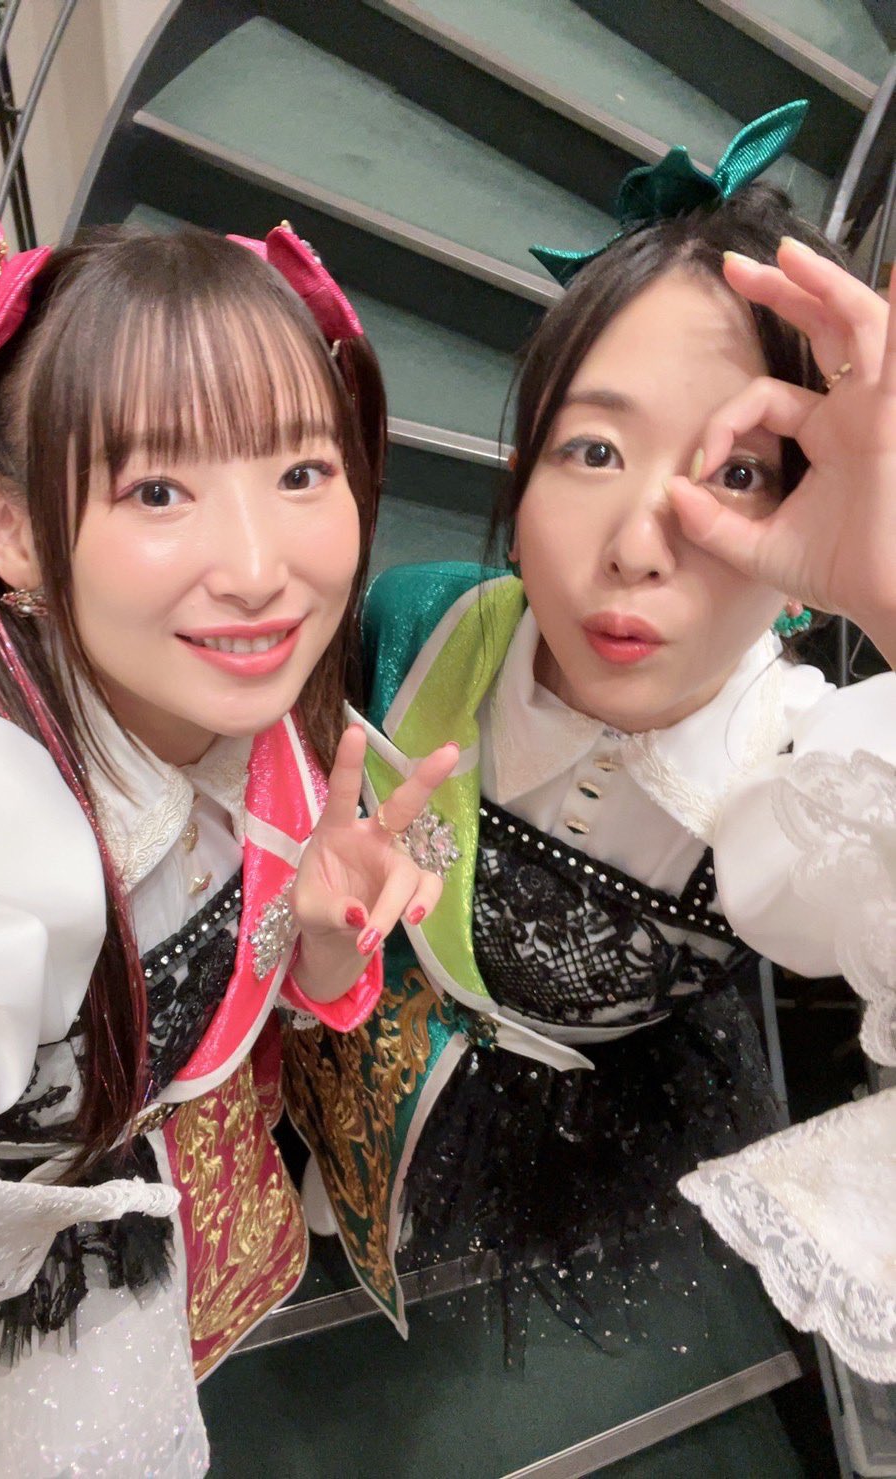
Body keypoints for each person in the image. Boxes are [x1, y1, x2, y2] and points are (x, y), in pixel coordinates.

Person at [0, 204, 457, 1477]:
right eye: (158, 489)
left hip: (204, 1177)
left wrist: (324, 939)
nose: (258, 570)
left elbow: (279, 995)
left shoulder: (274, 724)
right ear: (7, 526)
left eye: (299, 472)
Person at [285, 105, 896, 1357]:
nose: (634, 548)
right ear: (518, 481)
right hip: (387, 1036)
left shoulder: (815, 788)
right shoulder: (415, 624)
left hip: (593, 1094)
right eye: (594, 449)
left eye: (736, 472)